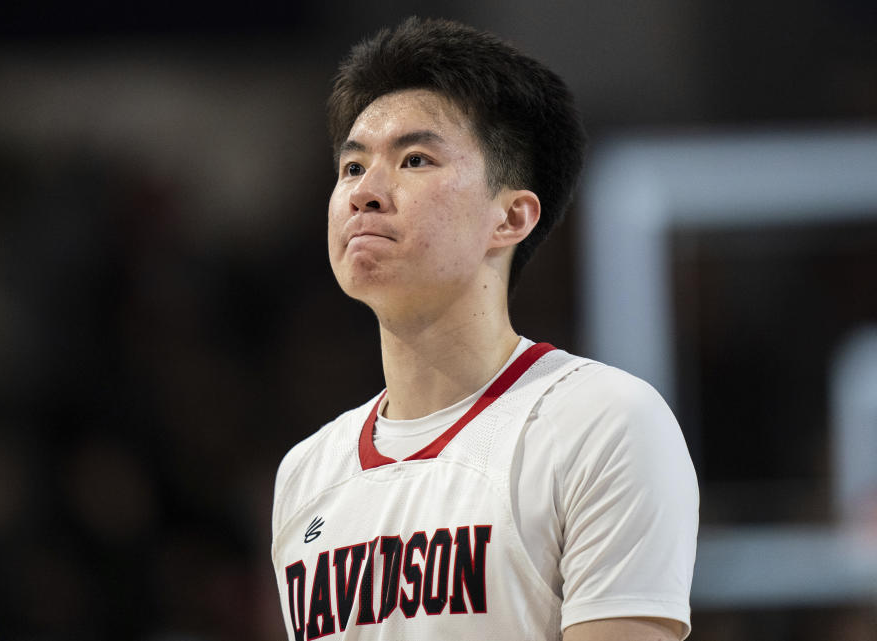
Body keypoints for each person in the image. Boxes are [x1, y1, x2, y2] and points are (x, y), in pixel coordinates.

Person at [271, 16, 698, 641]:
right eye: (352, 167)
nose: (366, 192)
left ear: (511, 217)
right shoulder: (305, 474)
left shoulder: (604, 423)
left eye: (414, 159)